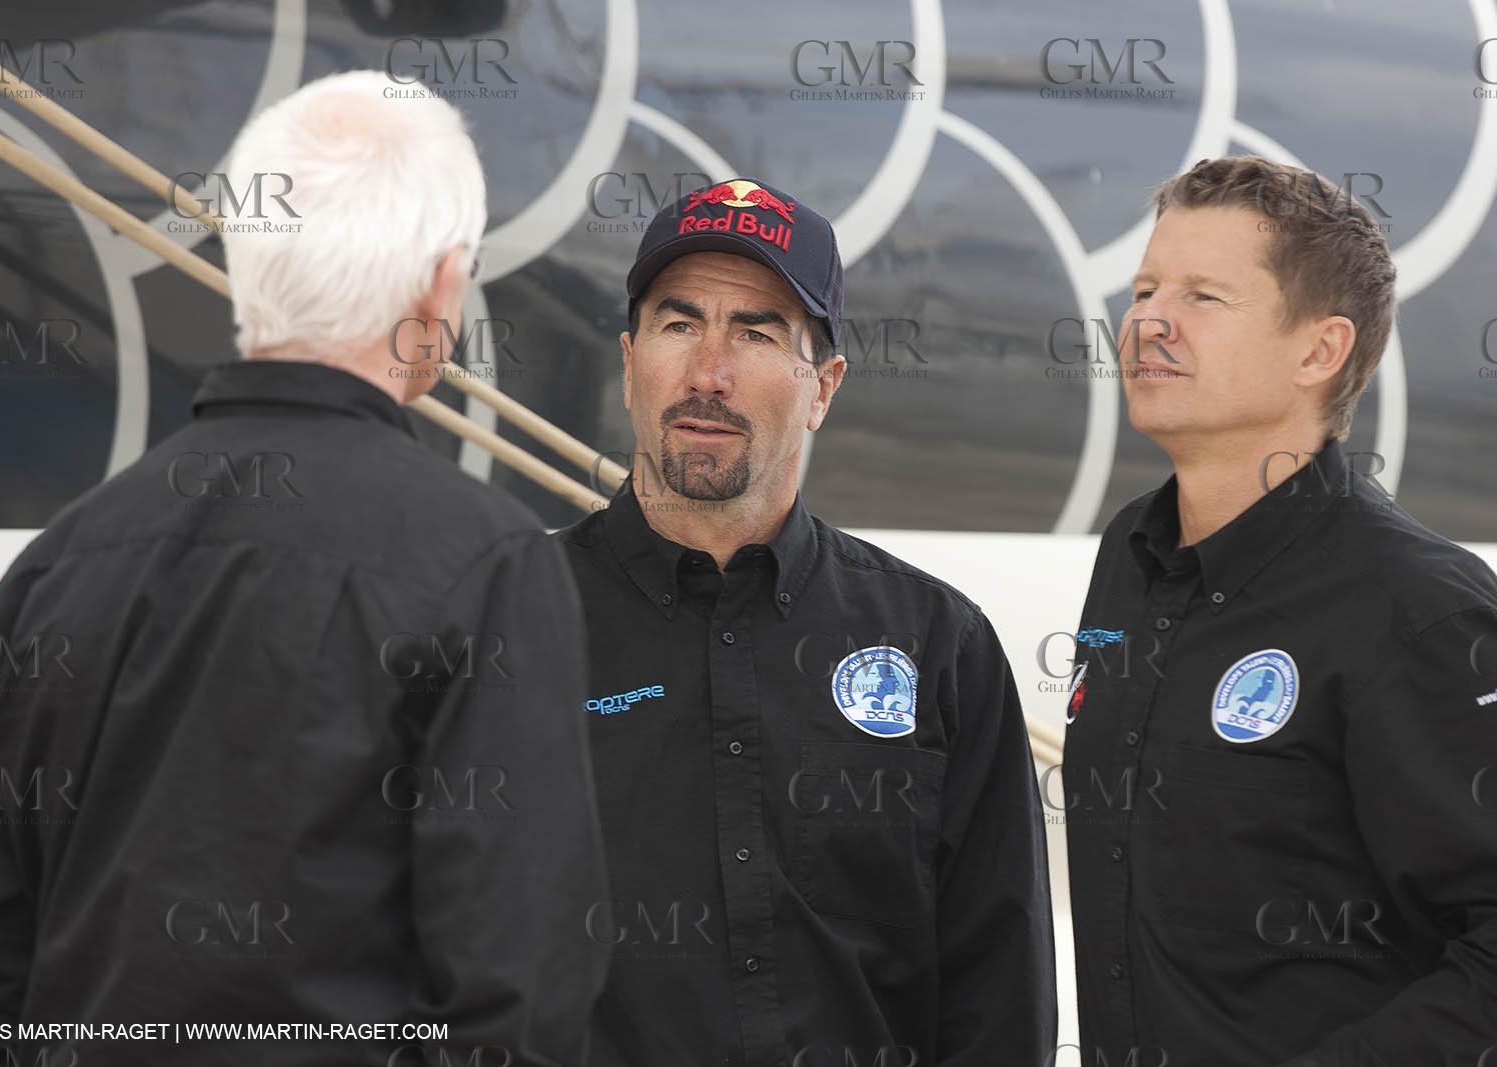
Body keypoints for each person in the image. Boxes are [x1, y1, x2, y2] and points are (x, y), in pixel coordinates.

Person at [0, 70, 608, 1067]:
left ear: (241, 256)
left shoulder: (49, 573)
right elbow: (519, 1005)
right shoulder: (489, 569)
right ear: (443, 284)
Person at [558, 178, 1056, 1067]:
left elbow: (999, 999)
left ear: (823, 386)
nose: (708, 372)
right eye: (680, 325)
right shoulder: (506, 623)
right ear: (630, 360)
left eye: (755, 332)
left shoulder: (941, 647)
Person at [1063, 156, 1497, 1065]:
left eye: (1203, 297)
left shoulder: (1421, 610)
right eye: (1145, 287)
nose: (1147, 319)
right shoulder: (1130, 558)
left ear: (1319, 350)